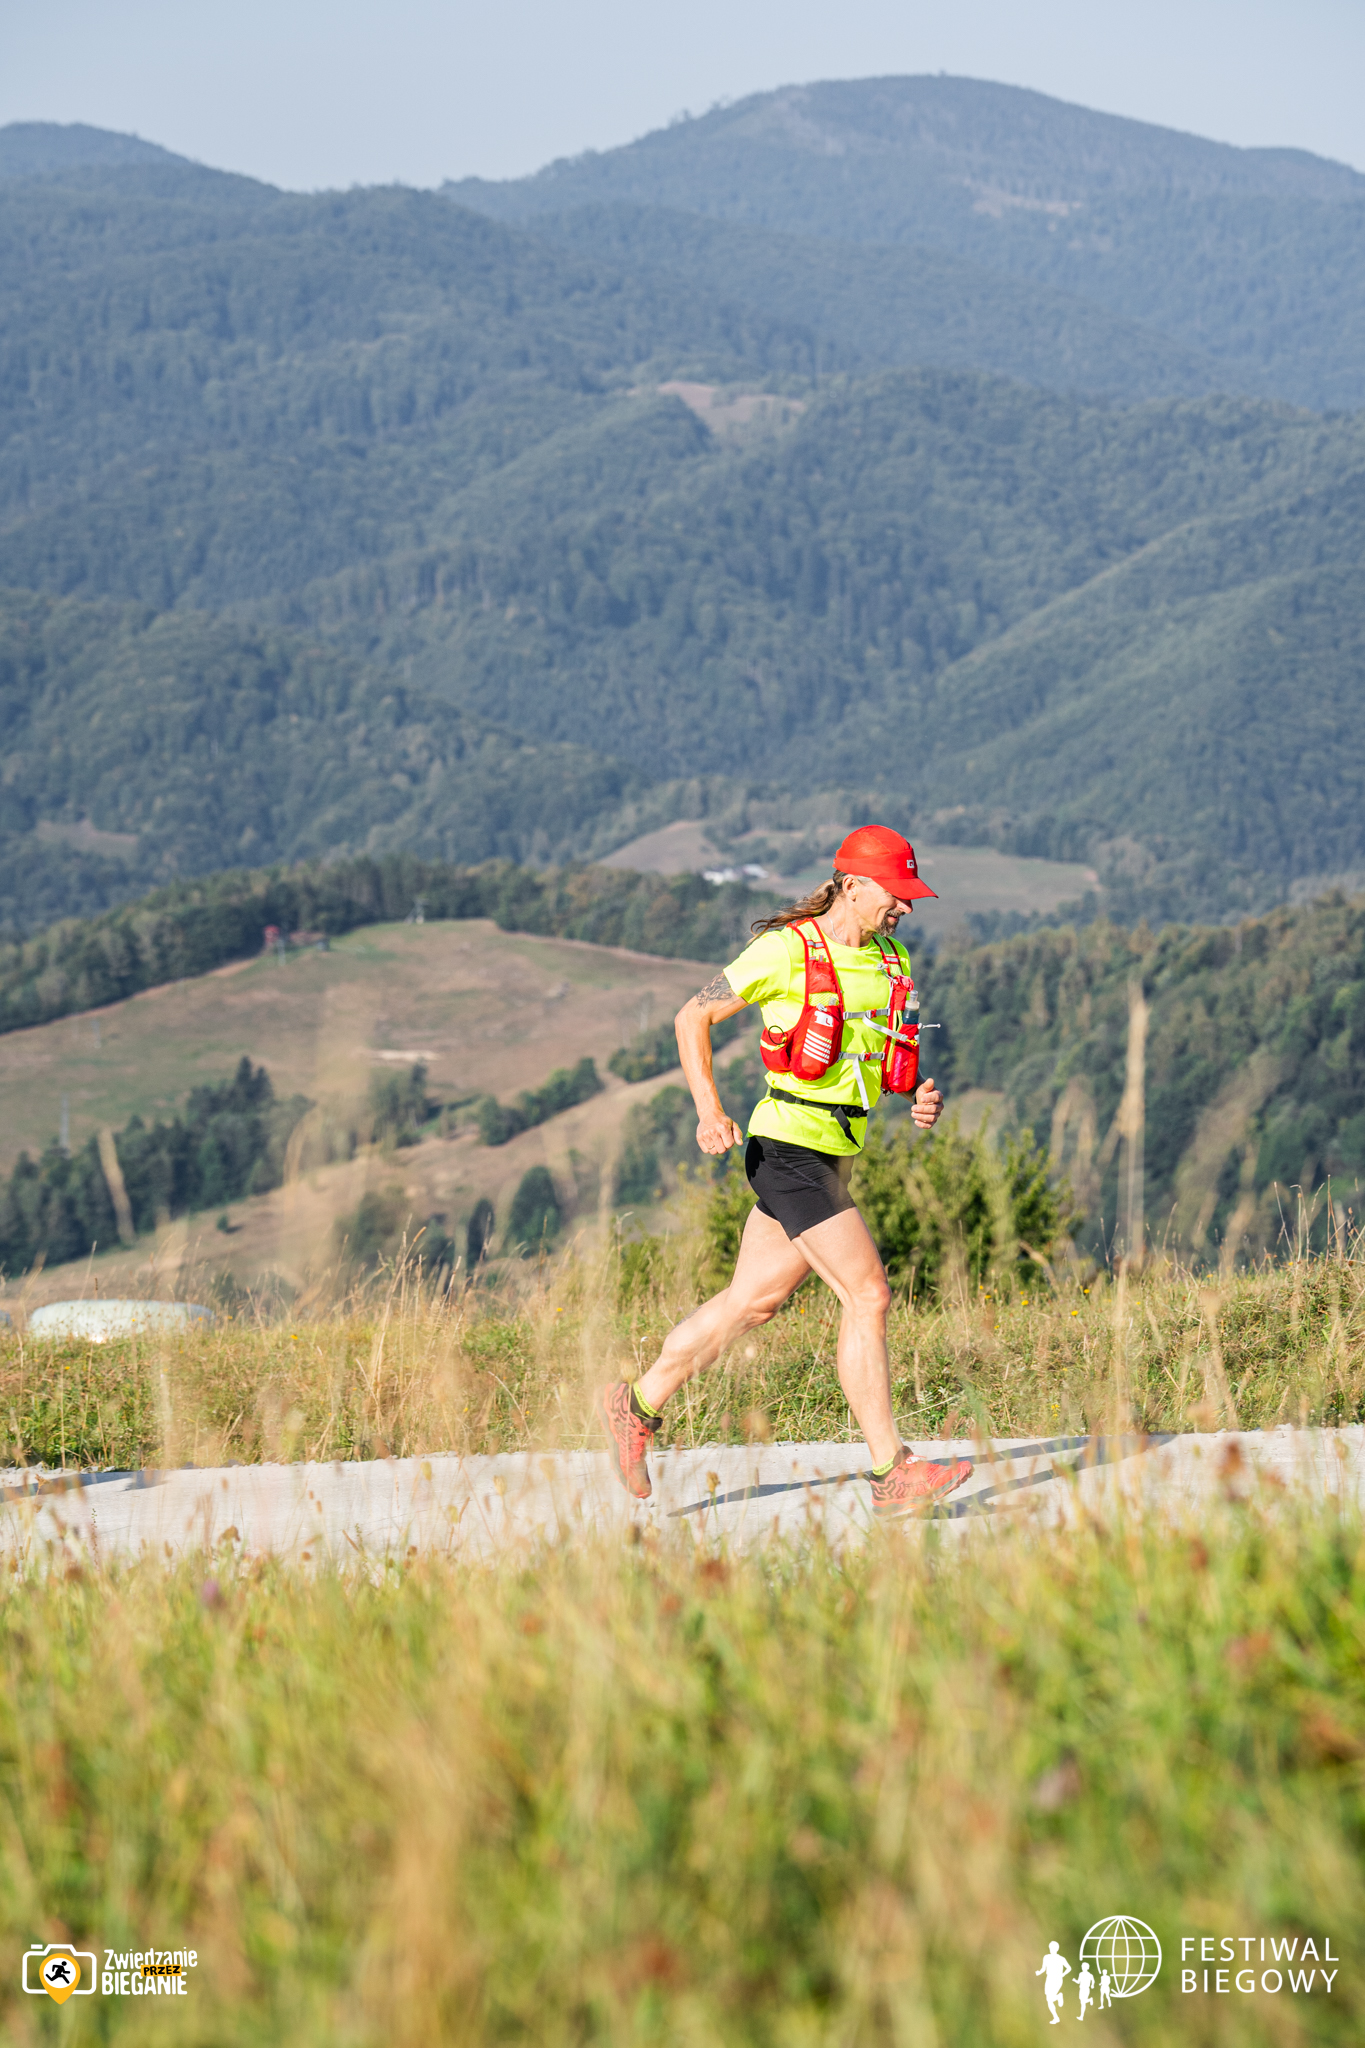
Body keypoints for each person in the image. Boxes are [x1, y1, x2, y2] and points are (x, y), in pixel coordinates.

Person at [595, 825, 972, 1516]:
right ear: (852, 885)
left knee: (752, 1303)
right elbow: (691, 1017)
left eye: (911, 896)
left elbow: (878, 1058)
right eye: (895, 893)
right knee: (868, 1294)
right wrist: (709, 1111)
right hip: (786, 1150)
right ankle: (891, 1471)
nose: (905, 907)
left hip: (837, 1151)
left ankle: (634, 1406)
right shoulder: (784, 951)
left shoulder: (891, 961)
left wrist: (917, 1096)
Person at [1036, 1942, 1071, 2025]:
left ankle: (1058, 1998)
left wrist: (1062, 1975)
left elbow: (1068, 1968)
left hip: (1056, 1979)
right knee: (1049, 1999)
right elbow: (1043, 1969)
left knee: (1050, 1999)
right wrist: (1038, 1972)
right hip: (1050, 1978)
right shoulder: (1047, 1957)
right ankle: (1056, 2017)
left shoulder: (1060, 1958)